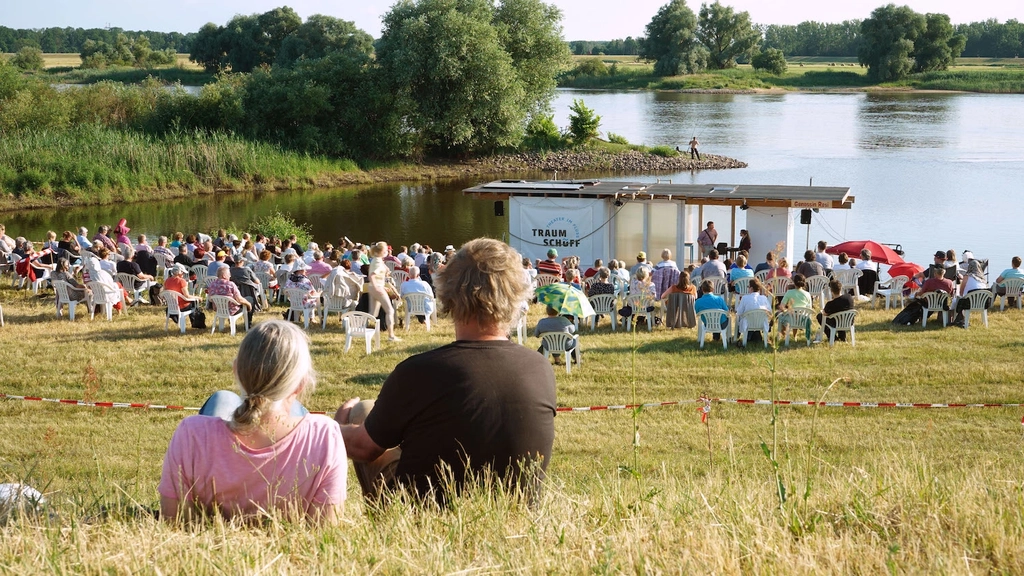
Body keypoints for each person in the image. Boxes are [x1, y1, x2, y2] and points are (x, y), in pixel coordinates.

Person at [335, 238, 556, 502]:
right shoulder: (540, 367)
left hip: (422, 510)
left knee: (362, 410)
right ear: (517, 294)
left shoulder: (419, 372)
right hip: (515, 507)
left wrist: (332, 429)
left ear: (447, 293)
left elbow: (363, 447)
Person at [159, 321, 346, 522]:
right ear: (301, 384)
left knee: (222, 398)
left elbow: (173, 520)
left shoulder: (191, 434)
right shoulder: (324, 436)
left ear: (236, 370)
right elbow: (326, 528)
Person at [367, 241, 400, 342]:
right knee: (390, 311)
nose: (387, 252)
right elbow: (372, 275)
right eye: (385, 250)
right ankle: (391, 336)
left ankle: (358, 327)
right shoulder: (377, 261)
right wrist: (377, 287)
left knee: (373, 314)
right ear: (381, 251)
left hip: (374, 287)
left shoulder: (377, 260)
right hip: (376, 288)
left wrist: (380, 286)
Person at [951, 260, 989, 326]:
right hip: (982, 303)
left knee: (956, 300)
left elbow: (961, 292)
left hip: (969, 303)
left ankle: (956, 318)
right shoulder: (983, 279)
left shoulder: (967, 276)